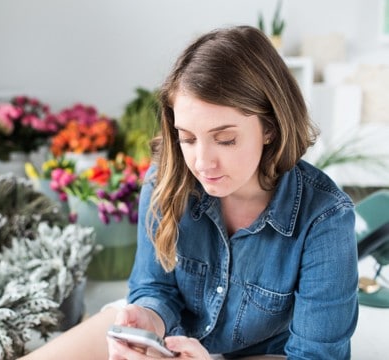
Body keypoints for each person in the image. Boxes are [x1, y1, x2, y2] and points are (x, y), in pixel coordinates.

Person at [21, 25, 358, 360]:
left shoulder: (325, 218)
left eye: (225, 139)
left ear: (269, 127)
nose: (202, 163)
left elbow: (317, 356)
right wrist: (148, 320)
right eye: (188, 137)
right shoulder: (166, 181)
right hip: (171, 338)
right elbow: (154, 288)